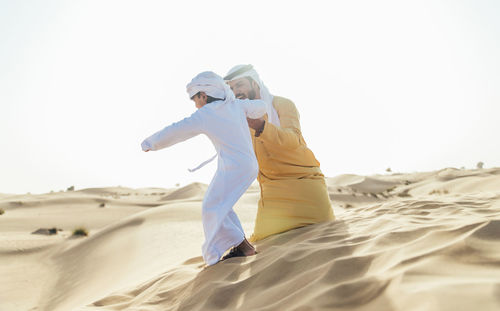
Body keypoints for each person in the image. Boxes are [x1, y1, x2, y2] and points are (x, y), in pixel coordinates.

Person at [141, 71, 266, 265]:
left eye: (194, 99)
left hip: (235, 167)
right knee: (219, 205)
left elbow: (178, 130)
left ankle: (242, 248)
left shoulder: (207, 113)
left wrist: (150, 143)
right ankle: (242, 246)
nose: (195, 104)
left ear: (203, 95)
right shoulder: (234, 105)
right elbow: (260, 107)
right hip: (246, 165)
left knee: (211, 206)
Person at [224, 64, 335, 242]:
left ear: (255, 83)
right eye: (232, 88)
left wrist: (261, 126)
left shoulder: (282, 104)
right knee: (261, 247)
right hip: (272, 197)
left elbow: (294, 140)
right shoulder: (239, 116)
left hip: (305, 187)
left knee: (322, 244)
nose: (236, 91)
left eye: (240, 85)